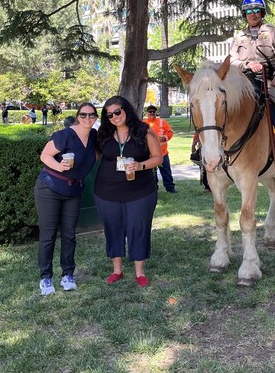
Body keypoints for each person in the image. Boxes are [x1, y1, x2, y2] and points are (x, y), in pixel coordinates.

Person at [94, 96, 163, 287]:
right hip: (107, 192)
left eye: (117, 112)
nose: (114, 117)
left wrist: (140, 165)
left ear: (126, 110)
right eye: (109, 115)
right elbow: (92, 154)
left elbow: (158, 158)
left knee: (138, 229)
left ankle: (139, 273)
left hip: (140, 192)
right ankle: (117, 270)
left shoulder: (144, 131)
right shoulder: (104, 133)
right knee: (113, 229)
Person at [230, 0, 275, 169]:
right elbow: (231, 60)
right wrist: (247, 64)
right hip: (243, 84)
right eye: (248, 11)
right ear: (244, 14)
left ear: (261, 12)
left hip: (268, 82)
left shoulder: (271, 32)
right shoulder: (239, 36)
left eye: (256, 11)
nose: (252, 14)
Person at [35, 102, 98, 295]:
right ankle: (45, 278)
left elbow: (98, 154)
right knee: (49, 235)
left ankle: (67, 275)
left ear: (96, 118)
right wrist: (58, 166)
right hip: (50, 188)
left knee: (70, 234)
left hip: (74, 190)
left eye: (92, 115)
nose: (88, 118)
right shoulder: (65, 135)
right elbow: (45, 155)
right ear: (78, 116)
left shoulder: (94, 136)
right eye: (84, 115)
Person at [143, 105, 177, 193]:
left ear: (156, 113)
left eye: (153, 112)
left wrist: (165, 138)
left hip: (163, 153)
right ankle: (154, 188)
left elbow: (170, 132)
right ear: (147, 113)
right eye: (150, 112)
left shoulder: (162, 122)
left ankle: (170, 188)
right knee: (152, 173)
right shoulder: (143, 124)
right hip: (150, 154)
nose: (152, 113)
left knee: (166, 171)